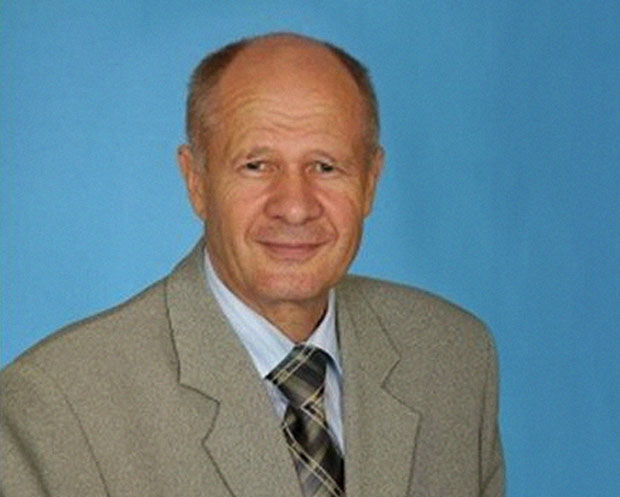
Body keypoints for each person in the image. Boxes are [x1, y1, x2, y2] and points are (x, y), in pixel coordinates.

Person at [0, 33, 504, 496]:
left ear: (370, 182)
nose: (295, 206)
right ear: (196, 180)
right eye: (257, 166)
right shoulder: (57, 405)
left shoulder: (454, 358)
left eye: (325, 166)